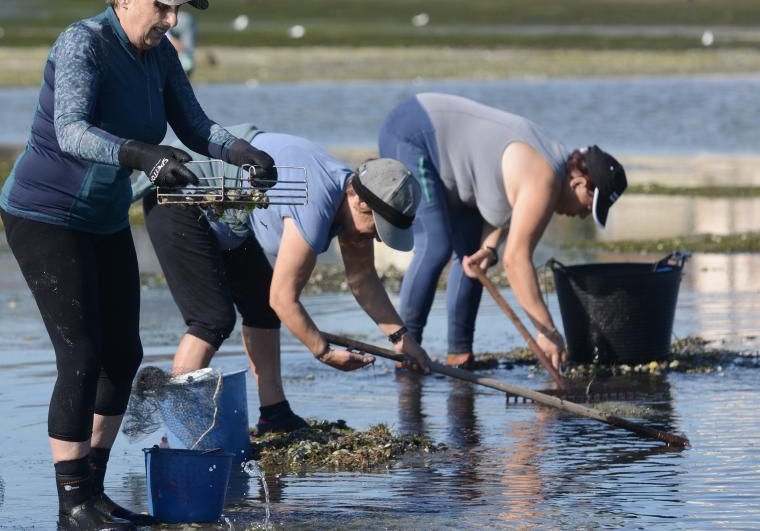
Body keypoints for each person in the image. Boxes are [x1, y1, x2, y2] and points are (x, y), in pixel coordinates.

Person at [0, 0, 276, 531]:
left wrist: (239, 151)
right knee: (81, 355)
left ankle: (93, 492)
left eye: (179, 11)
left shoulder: (160, 54)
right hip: (43, 213)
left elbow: (195, 124)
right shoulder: (83, 43)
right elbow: (71, 131)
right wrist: (143, 155)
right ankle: (70, 504)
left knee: (123, 355)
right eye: (163, 8)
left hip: (100, 217)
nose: (172, 21)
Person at [136, 125, 431, 435]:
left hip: (228, 212)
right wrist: (324, 351)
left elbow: (362, 280)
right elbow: (283, 298)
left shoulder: (351, 199)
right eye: (378, 228)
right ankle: (180, 432)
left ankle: (274, 413)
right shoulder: (316, 203)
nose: (379, 240)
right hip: (178, 194)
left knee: (260, 310)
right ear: (358, 200)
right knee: (212, 319)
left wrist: (402, 339)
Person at [378, 93, 627, 370]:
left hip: (453, 170)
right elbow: (516, 260)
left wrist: (489, 247)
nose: (582, 216)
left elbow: (505, 213)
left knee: (473, 257)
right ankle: (405, 353)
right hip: (412, 132)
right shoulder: (545, 179)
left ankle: (460, 358)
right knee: (436, 246)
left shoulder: (549, 172)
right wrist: (547, 332)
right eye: (587, 207)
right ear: (579, 182)